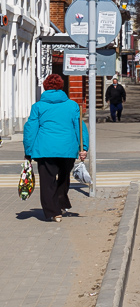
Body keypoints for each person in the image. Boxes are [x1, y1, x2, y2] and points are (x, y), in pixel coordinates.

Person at [22, 73, 88, 222]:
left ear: (45, 88)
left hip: (44, 150)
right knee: (64, 178)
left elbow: (30, 129)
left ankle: (54, 212)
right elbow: (80, 127)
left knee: (47, 181)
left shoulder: (38, 106)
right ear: (61, 87)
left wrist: (28, 151)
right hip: (68, 149)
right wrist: (83, 148)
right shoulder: (72, 105)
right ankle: (61, 202)